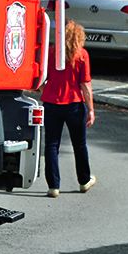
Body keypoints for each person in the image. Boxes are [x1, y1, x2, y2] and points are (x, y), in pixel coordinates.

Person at [41, 17, 95, 197]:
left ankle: (53, 186)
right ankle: (84, 180)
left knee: (51, 144)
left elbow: (43, 77)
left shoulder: (52, 52)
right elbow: (85, 84)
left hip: (51, 102)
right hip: (74, 103)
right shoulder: (82, 55)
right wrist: (91, 109)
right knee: (79, 145)